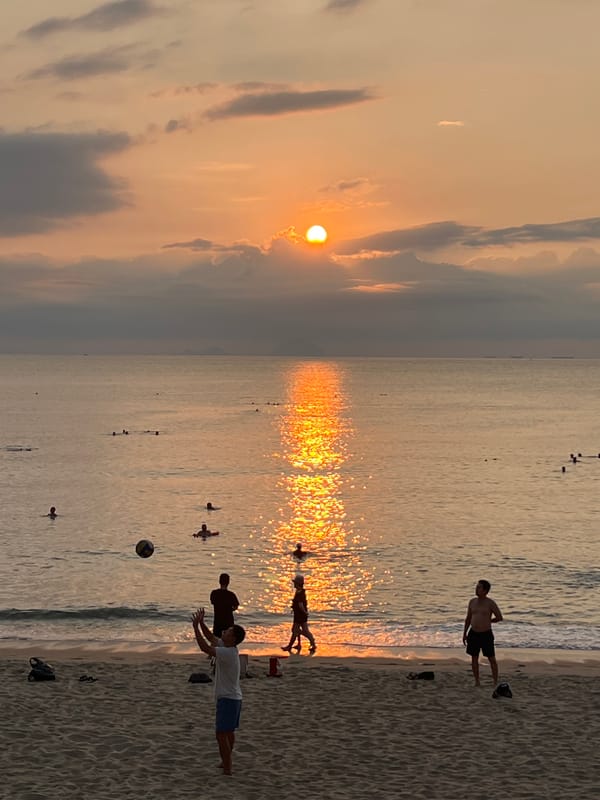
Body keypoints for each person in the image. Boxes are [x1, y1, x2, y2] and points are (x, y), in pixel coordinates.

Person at [191, 607, 245, 776]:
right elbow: (211, 638)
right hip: (234, 698)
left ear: (233, 638)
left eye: (228, 631)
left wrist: (194, 628)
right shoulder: (228, 647)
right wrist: (201, 624)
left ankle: (228, 767)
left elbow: (205, 648)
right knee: (228, 732)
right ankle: (226, 760)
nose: (225, 631)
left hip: (228, 699)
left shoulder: (228, 652)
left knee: (221, 734)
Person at [463, 579, 503, 686]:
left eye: (479, 587)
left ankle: (495, 682)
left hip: (486, 634)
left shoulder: (490, 603)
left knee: (491, 658)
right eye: (477, 586)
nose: (476, 589)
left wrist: (489, 621)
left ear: (485, 591)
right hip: (473, 633)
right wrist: (464, 633)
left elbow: (499, 617)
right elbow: (468, 618)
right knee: (474, 658)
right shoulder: (472, 602)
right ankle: (477, 681)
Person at [282, 575, 316, 654]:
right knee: (299, 630)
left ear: (297, 583)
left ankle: (312, 643)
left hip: (300, 615)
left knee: (298, 631)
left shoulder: (300, 593)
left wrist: (304, 612)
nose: (293, 584)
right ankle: (299, 644)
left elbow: (300, 604)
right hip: (299, 614)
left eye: (295, 583)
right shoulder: (299, 591)